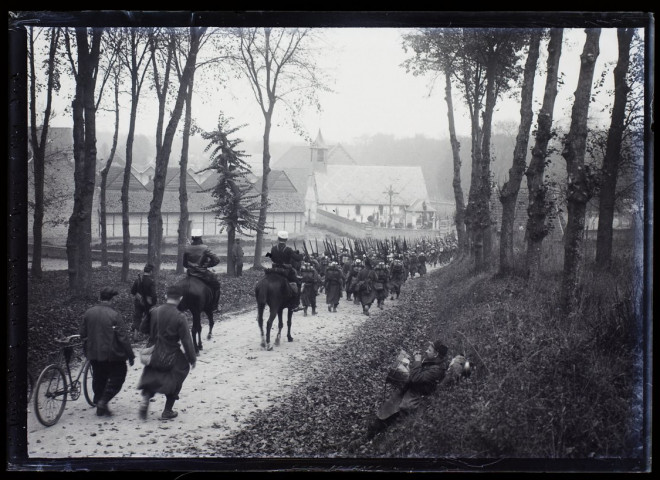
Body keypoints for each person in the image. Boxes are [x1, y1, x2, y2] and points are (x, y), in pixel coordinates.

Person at [138, 285, 197, 421]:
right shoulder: (180, 316)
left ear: (166, 296)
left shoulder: (154, 311)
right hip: (170, 351)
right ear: (180, 299)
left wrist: (154, 333)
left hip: (153, 350)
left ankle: (146, 397)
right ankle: (167, 410)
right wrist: (192, 358)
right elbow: (186, 340)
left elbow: (142, 328)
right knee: (181, 371)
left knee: (152, 373)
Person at [368, 339, 448, 438]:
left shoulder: (437, 370)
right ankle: (372, 433)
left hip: (416, 395)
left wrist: (417, 361)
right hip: (411, 389)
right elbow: (418, 374)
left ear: (436, 354)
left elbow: (416, 378)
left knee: (394, 414)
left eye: (429, 350)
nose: (426, 351)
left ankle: (376, 437)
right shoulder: (432, 361)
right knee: (387, 408)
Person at [80, 286, 135, 417]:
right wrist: (130, 355)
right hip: (112, 354)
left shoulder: (89, 312)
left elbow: (82, 334)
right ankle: (103, 401)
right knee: (118, 376)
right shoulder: (114, 315)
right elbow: (123, 337)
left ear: (100, 298)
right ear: (112, 299)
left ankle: (99, 400)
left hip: (93, 353)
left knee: (99, 376)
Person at [183, 229, 221, 311]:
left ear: (192, 238)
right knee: (217, 284)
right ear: (200, 237)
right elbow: (217, 259)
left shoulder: (187, 248)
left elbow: (184, 264)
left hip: (190, 273)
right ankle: (215, 306)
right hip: (202, 273)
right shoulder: (205, 248)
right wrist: (208, 264)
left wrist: (191, 267)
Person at [265, 231, 304, 312]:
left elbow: (271, 258)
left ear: (278, 238)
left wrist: (269, 254)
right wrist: (301, 255)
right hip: (285, 271)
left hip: (274, 270)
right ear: (286, 240)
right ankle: (296, 304)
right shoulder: (289, 250)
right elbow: (297, 258)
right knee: (298, 283)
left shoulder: (273, 248)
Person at [130, 263, 158, 333]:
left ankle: (135, 334)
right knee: (148, 317)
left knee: (137, 317)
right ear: (151, 272)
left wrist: (139, 297)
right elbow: (153, 295)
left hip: (138, 302)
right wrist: (153, 302)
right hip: (147, 303)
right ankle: (147, 333)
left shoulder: (138, 280)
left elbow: (133, 291)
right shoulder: (151, 282)